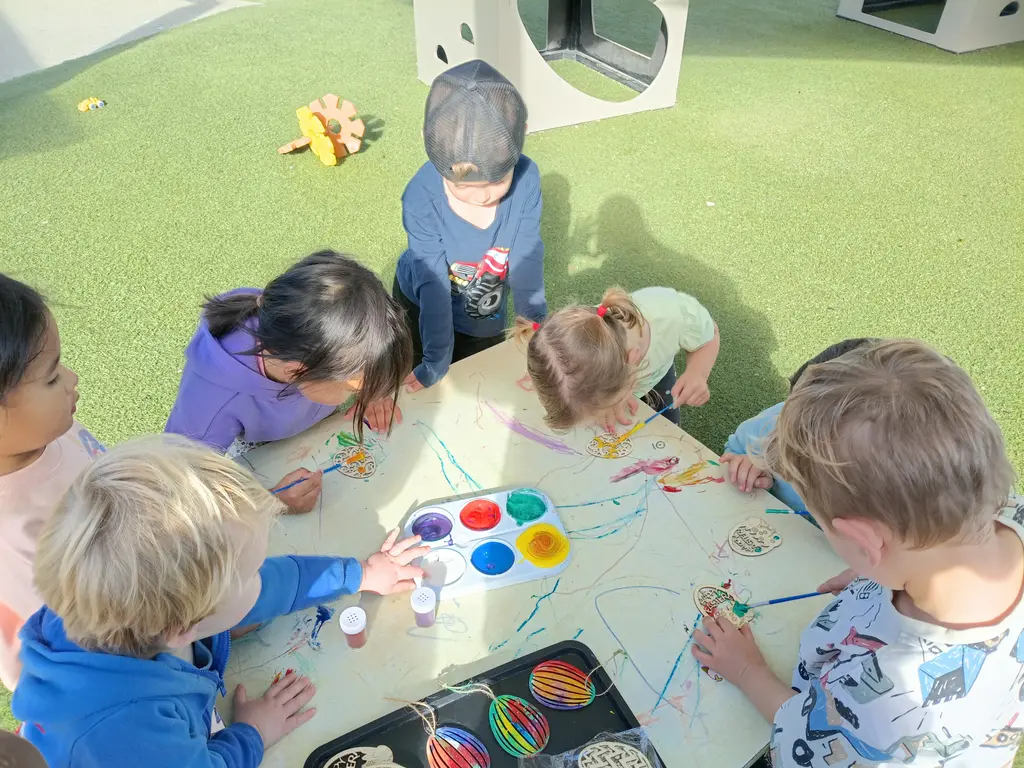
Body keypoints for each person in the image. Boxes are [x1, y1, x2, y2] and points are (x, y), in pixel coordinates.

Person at [690, 339, 1023, 768]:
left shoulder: (888, 701)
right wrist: (878, 573)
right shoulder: (1001, 514)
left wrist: (747, 672)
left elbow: (812, 738)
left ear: (867, 542)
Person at [12, 435, 428, 768]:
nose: (262, 574)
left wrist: (362, 573)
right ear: (181, 627)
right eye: (250, 573)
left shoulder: (110, 606)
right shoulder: (130, 732)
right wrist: (252, 733)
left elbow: (271, 586)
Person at [165, 250, 412, 513]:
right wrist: (270, 500)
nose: (365, 390)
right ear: (297, 373)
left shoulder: (309, 326)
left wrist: (374, 389)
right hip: (265, 450)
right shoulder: (212, 404)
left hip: (315, 426)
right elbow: (178, 493)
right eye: (358, 386)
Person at [393, 59, 545, 392]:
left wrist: (536, 337)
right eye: (461, 187)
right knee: (425, 380)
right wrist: (434, 361)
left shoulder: (527, 179)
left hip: (483, 310)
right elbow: (432, 286)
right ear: (431, 148)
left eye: (497, 182)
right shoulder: (419, 198)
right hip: (421, 301)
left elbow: (527, 259)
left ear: (519, 142)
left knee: (480, 382)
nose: (481, 198)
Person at [0, 274, 105, 691]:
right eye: (50, 378)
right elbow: (81, 632)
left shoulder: (43, 431)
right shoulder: (12, 529)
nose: (72, 377)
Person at [512, 286, 719, 433]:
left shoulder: (675, 314)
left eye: (613, 399)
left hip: (658, 379)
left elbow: (710, 336)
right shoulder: (582, 337)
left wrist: (697, 373)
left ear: (633, 363)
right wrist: (604, 401)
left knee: (665, 432)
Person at [720, 338, 875, 505]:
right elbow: (736, 449)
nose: (793, 438)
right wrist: (749, 465)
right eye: (792, 410)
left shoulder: (880, 480)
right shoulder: (776, 421)